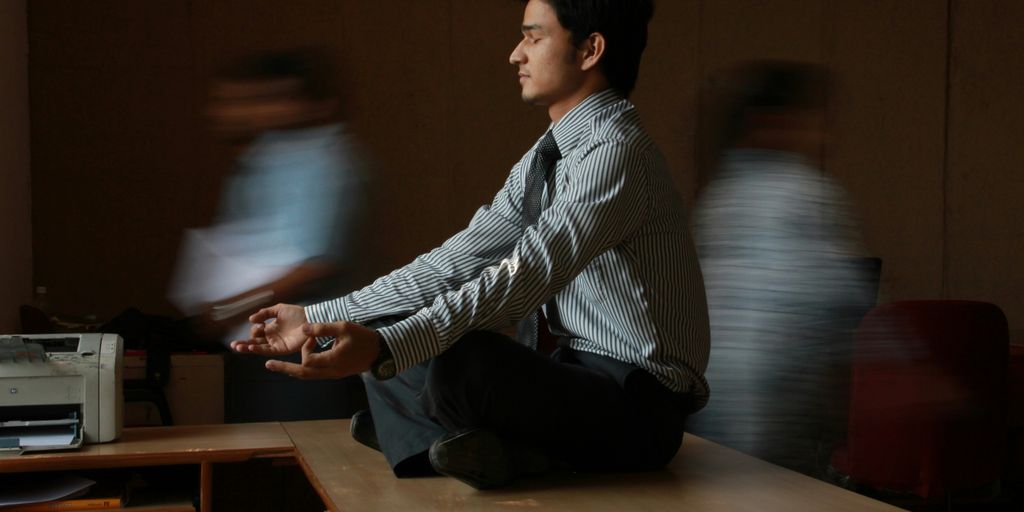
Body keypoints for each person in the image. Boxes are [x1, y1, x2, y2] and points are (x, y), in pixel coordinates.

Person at [232, 0, 709, 489]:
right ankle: (456, 443)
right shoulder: (549, 154)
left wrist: (387, 345)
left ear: (590, 49)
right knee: (394, 333)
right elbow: (454, 261)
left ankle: (450, 437)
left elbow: (522, 278)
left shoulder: (617, 154)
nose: (514, 55)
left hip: (638, 410)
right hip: (575, 383)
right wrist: (321, 315)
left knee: (455, 361)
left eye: (533, 36)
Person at [686, 61, 874, 478]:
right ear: (773, 123)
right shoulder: (803, 191)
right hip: (775, 409)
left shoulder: (718, 197)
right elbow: (844, 304)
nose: (823, 134)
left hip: (713, 405)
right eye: (814, 120)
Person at [168, 49, 367, 346]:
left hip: (300, 343)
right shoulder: (265, 159)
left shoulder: (325, 163)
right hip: (255, 339)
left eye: (249, 101)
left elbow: (311, 270)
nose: (223, 113)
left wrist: (225, 312)